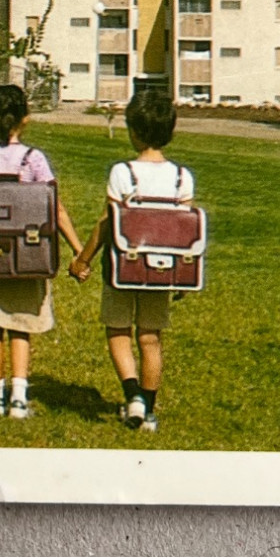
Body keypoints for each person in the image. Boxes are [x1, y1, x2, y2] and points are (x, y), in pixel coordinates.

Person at [0, 84, 84, 419]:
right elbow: (55, 209)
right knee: (20, 325)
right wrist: (78, 249)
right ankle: (19, 399)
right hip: (26, 254)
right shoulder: (33, 159)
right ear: (25, 119)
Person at [69, 88, 193, 433]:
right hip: (164, 270)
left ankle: (132, 394)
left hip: (123, 268)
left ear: (134, 131)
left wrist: (82, 259)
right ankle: (148, 412)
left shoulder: (122, 173)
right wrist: (185, 276)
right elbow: (183, 231)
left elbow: (107, 224)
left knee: (118, 330)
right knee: (151, 338)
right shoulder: (182, 177)